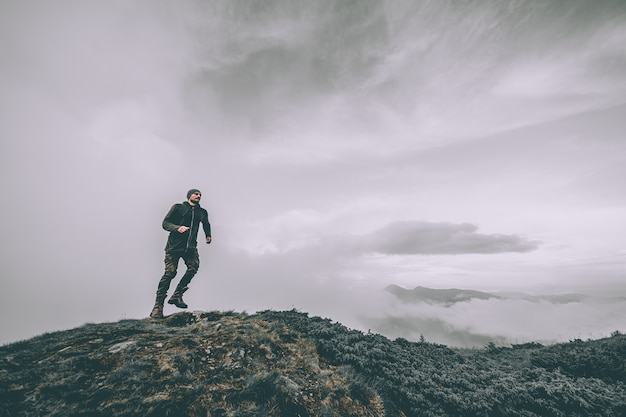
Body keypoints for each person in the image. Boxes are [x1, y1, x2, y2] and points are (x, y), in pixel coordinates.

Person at [150, 189, 212, 318]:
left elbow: (206, 223)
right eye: (196, 194)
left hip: (190, 248)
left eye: (200, 195)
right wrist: (177, 228)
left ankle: (177, 294)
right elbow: (165, 223)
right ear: (189, 196)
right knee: (170, 273)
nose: (198, 196)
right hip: (174, 247)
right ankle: (158, 306)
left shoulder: (202, 212)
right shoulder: (178, 207)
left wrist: (208, 235)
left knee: (193, 267)